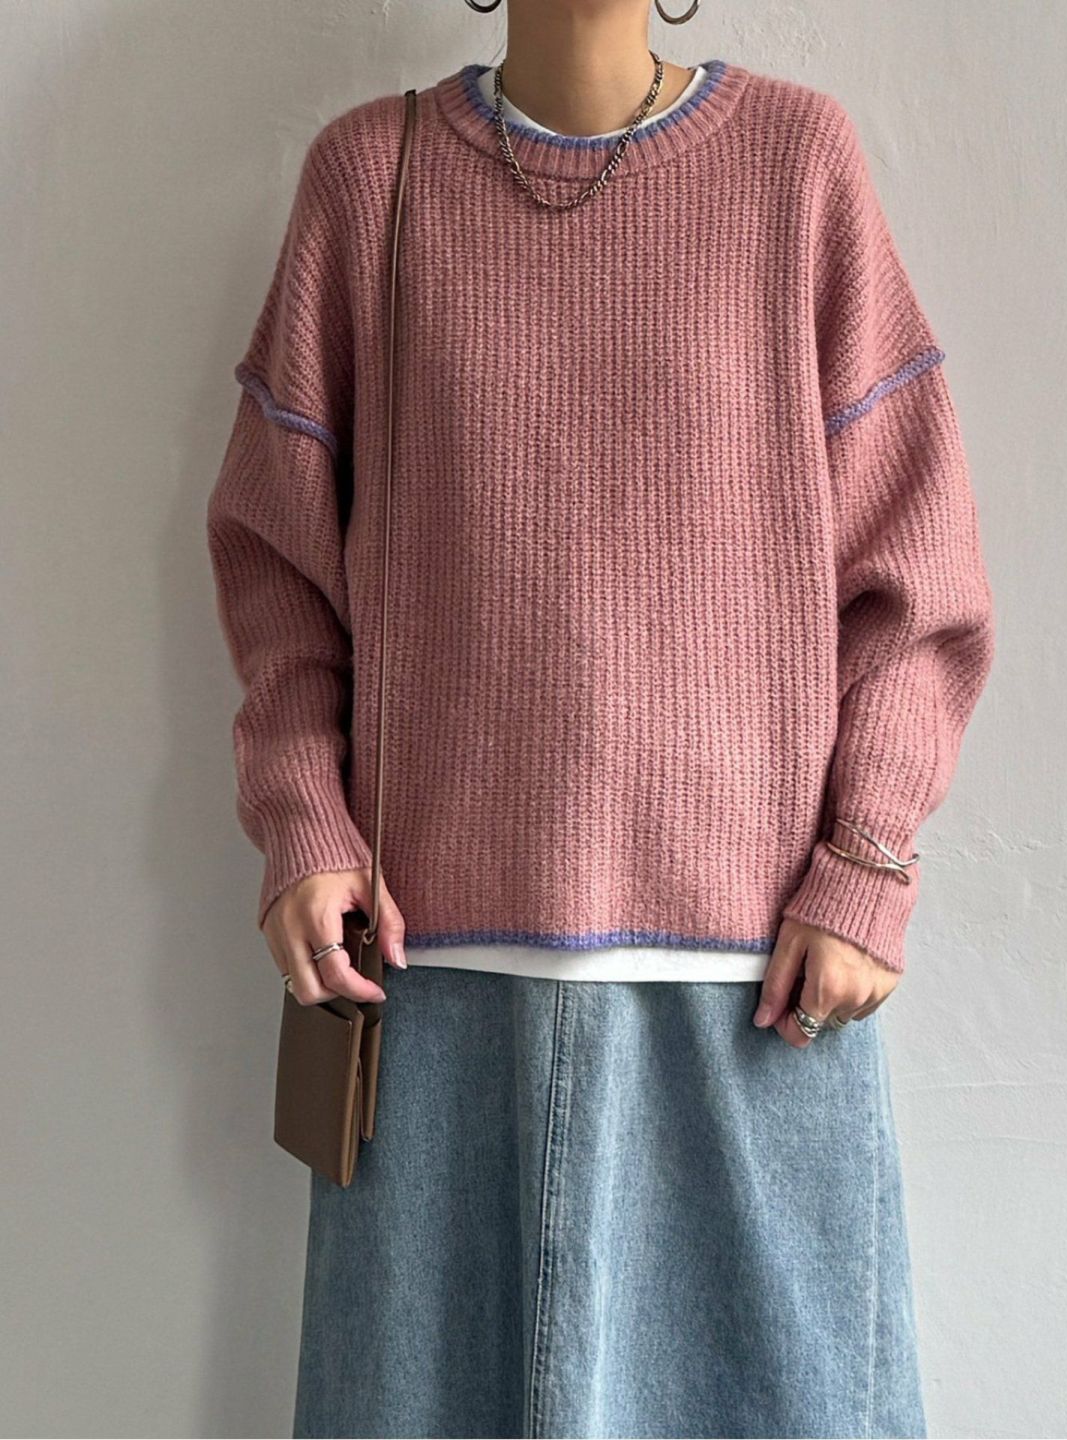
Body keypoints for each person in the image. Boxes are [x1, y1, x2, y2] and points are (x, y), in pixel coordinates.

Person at [205, 1, 995, 1435]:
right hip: (429, 996)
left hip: (754, 1000)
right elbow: (278, 566)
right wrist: (303, 820)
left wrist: (868, 861)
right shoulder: (369, 180)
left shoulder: (795, 166)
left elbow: (917, 574)